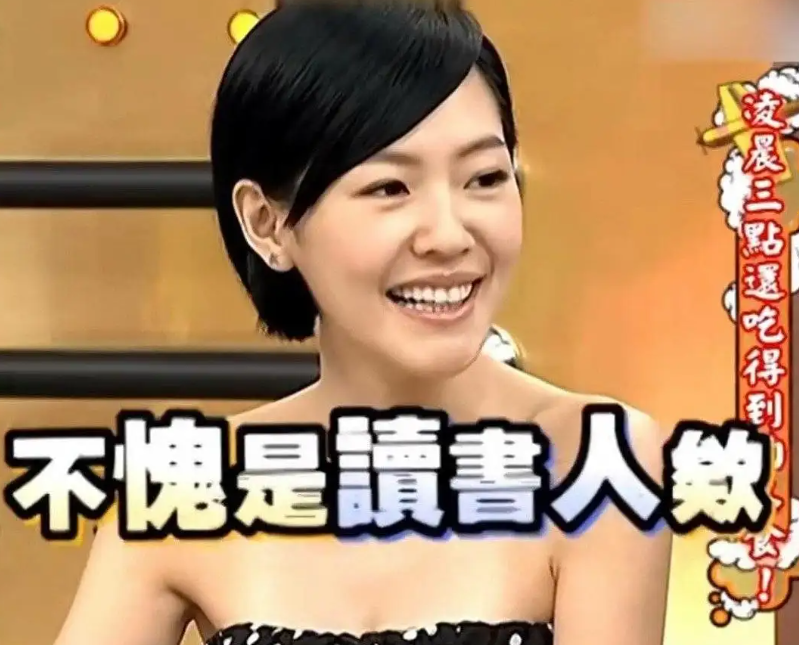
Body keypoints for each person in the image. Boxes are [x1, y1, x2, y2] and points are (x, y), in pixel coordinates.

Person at [53, 2, 671, 645]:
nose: (449, 235)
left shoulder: (598, 460)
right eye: (389, 188)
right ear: (267, 223)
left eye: (485, 178)